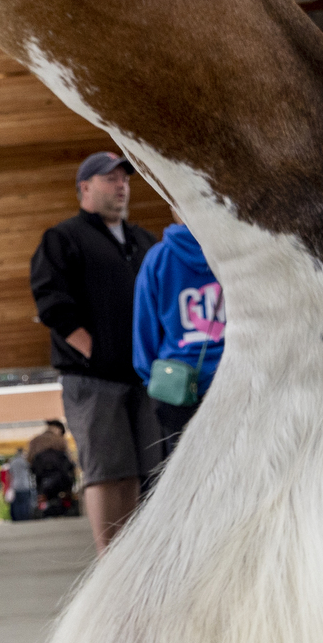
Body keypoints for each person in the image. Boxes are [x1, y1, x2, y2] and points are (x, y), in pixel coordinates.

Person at [30, 151, 160, 554]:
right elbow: (51, 301)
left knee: (144, 470)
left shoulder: (144, 241)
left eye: (125, 179)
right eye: (110, 179)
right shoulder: (63, 238)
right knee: (108, 471)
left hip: (144, 377)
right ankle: (111, 557)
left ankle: (138, 555)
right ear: (85, 187)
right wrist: (92, 350)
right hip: (92, 378)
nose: (121, 185)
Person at [132, 223, 225, 459]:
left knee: (189, 473)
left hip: (178, 389)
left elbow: (145, 330)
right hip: (238, 378)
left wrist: (150, 375)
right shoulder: (233, 250)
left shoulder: (159, 258)